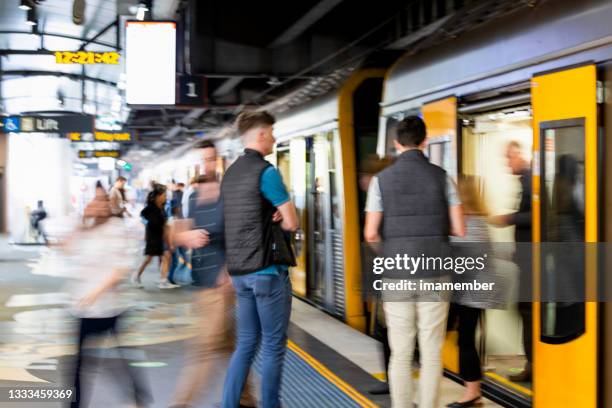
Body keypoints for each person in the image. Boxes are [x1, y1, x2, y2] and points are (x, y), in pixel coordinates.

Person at [364, 116, 465, 408]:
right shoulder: (442, 177)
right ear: (425, 141)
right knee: (432, 351)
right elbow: (459, 228)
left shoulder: (381, 181)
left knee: (401, 352)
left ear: (396, 143)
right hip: (435, 271)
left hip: (397, 275)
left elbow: (370, 233)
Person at [220, 110, 299, 408]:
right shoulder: (267, 172)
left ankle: (229, 403)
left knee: (246, 344)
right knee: (273, 346)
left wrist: (270, 213)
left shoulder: (230, 174)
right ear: (261, 135)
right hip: (268, 271)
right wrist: (280, 214)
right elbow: (292, 222)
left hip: (240, 273)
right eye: (272, 133)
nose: (274, 139)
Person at [169, 140, 255, 408]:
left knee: (204, 348)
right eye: (201, 160)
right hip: (200, 282)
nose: (206, 164)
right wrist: (186, 235)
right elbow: (175, 233)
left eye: (210, 159)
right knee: (226, 345)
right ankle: (247, 400)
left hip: (221, 284)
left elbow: (244, 235)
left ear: (218, 161)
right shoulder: (192, 197)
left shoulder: (229, 194)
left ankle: (180, 404)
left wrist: (229, 268)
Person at [66, 181, 150, 408]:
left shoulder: (116, 227)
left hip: (108, 307)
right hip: (83, 308)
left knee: (114, 361)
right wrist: (79, 222)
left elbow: (121, 269)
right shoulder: (86, 227)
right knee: (81, 364)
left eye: (102, 199)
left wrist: (95, 293)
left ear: (109, 203)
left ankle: (138, 394)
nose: (98, 204)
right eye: (94, 199)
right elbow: (67, 248)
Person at [489, 140, 532, 382]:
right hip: (526, 258)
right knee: (524, 310)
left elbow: (538, 214)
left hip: (532, 261)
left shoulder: (529, 179)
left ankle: (532, 365)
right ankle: (531, 363)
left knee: (525, 311)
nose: (507, 164)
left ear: (521, 154)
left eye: (509, 158)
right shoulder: (526, 180)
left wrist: (508, 218)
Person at [132, 184, 175, 289]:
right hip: (153, 235)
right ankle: (137, 276)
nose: (165, 197)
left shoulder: (162, 207)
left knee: (165, 256)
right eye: (163, 195)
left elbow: (163, 222)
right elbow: (144, 215)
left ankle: (162, 279)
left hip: (160, 234)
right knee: (149, 259)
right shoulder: (151, 208)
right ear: (158, 197)